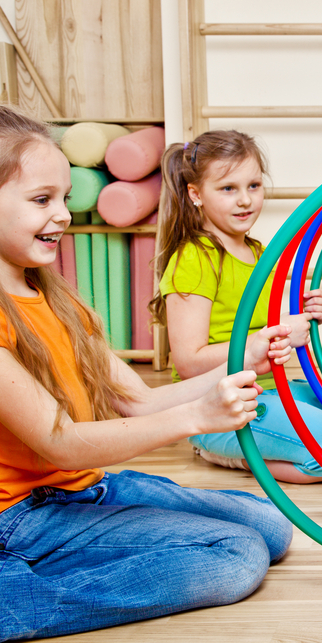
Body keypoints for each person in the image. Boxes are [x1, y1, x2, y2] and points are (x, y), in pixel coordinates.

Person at [0, 106, 295, 639]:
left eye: (65, 198)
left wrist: (249, 358)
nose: (64, 214)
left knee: (270, 527)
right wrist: (198, 416)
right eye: (42, 200)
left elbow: (135, 401)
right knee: (238, 555)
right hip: (21, 518)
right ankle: (16, 598)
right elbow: (59, 443)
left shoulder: (55, 297)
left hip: (82, 489)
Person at [151, 130, 322, 484]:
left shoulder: (260, 254)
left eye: (253, 186)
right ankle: (221, 450)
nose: (244, 200)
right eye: (228, 189)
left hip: (272, 387)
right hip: (221, 402)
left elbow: (264, 330)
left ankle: (264, 440)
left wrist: (307, 318)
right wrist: (264, 340)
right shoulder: (194, 259)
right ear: (195, 194)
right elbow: (188, 362)